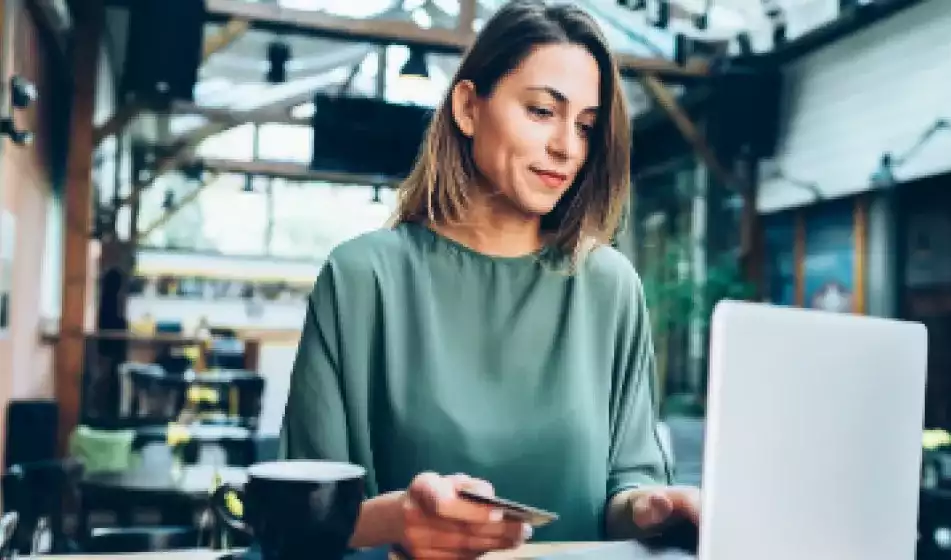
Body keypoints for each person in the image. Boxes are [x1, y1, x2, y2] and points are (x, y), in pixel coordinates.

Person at [279, 1, 700, 557]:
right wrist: (392, 522)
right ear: (468, 108)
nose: (567, 148)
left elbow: (629, 485)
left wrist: (653, 509)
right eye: (542, 111)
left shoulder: (608, 285)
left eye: (586, 126)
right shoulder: (362, 278)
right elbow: (296, 520)